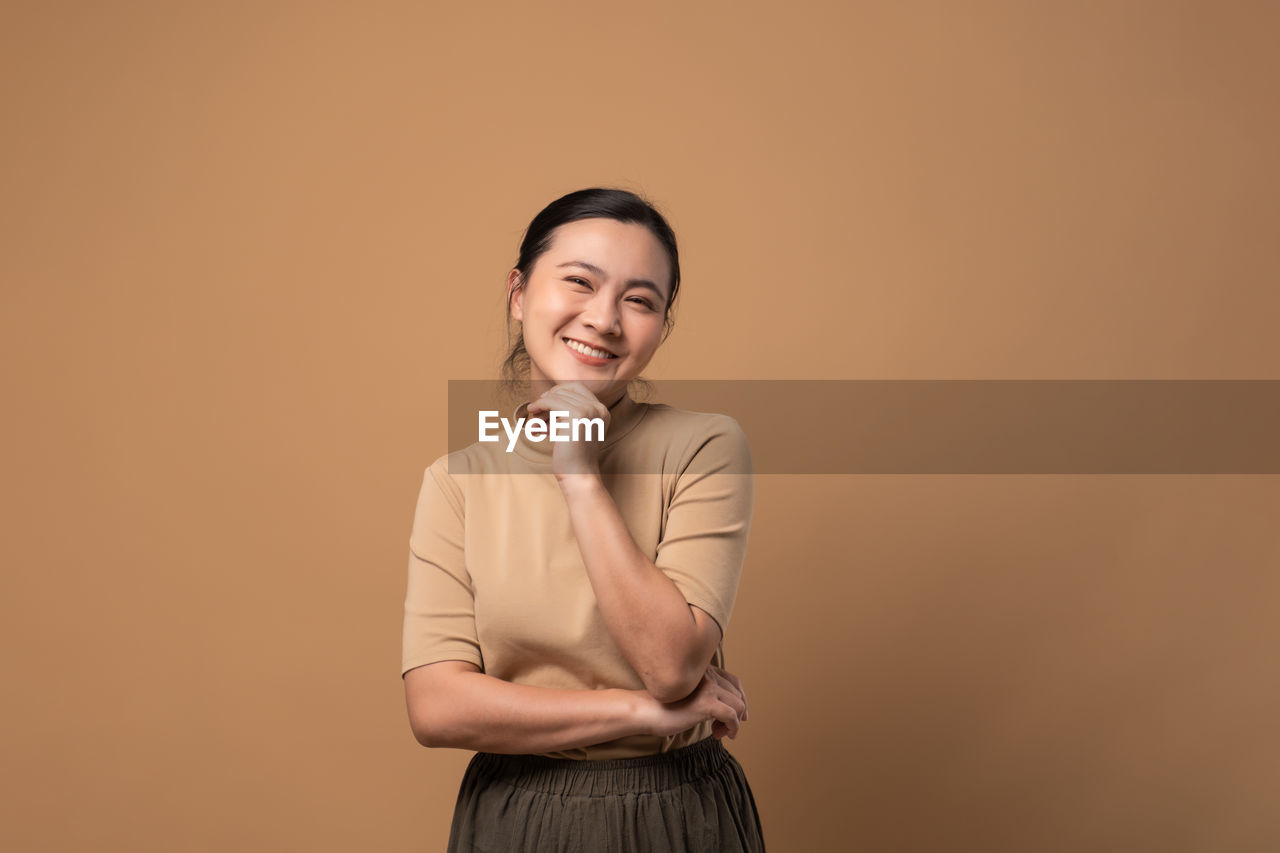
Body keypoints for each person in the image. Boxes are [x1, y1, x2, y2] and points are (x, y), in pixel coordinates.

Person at [401, 187, 766, 852]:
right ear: (518, 293)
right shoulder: (456, 479)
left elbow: (671, 665)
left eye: (640, 299)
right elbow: (435, 706)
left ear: (662, 324)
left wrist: (578, 472)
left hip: (677, 812)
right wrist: (637, 712)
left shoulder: (706, 445)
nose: (603, 319)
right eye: (580, 282)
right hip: (518, 816)